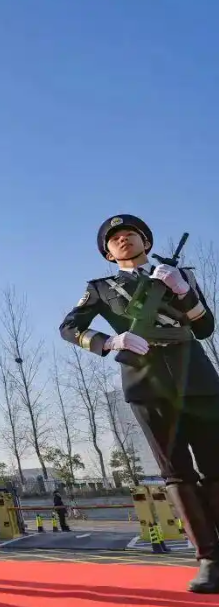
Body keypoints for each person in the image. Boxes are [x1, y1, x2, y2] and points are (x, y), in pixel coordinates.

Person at [59, 214, 218, 594]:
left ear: (146, 241)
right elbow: (69, 327)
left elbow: (204, 327)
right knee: (176, 472)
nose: (123, 240)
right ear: (108, 254)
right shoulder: (100, 288)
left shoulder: (177, 275)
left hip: (195, 376)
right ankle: (209, 557)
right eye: (114, 239)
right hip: (146, 382)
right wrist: (111, 342)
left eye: (130, 234)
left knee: (216, 466)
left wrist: (183, 291)